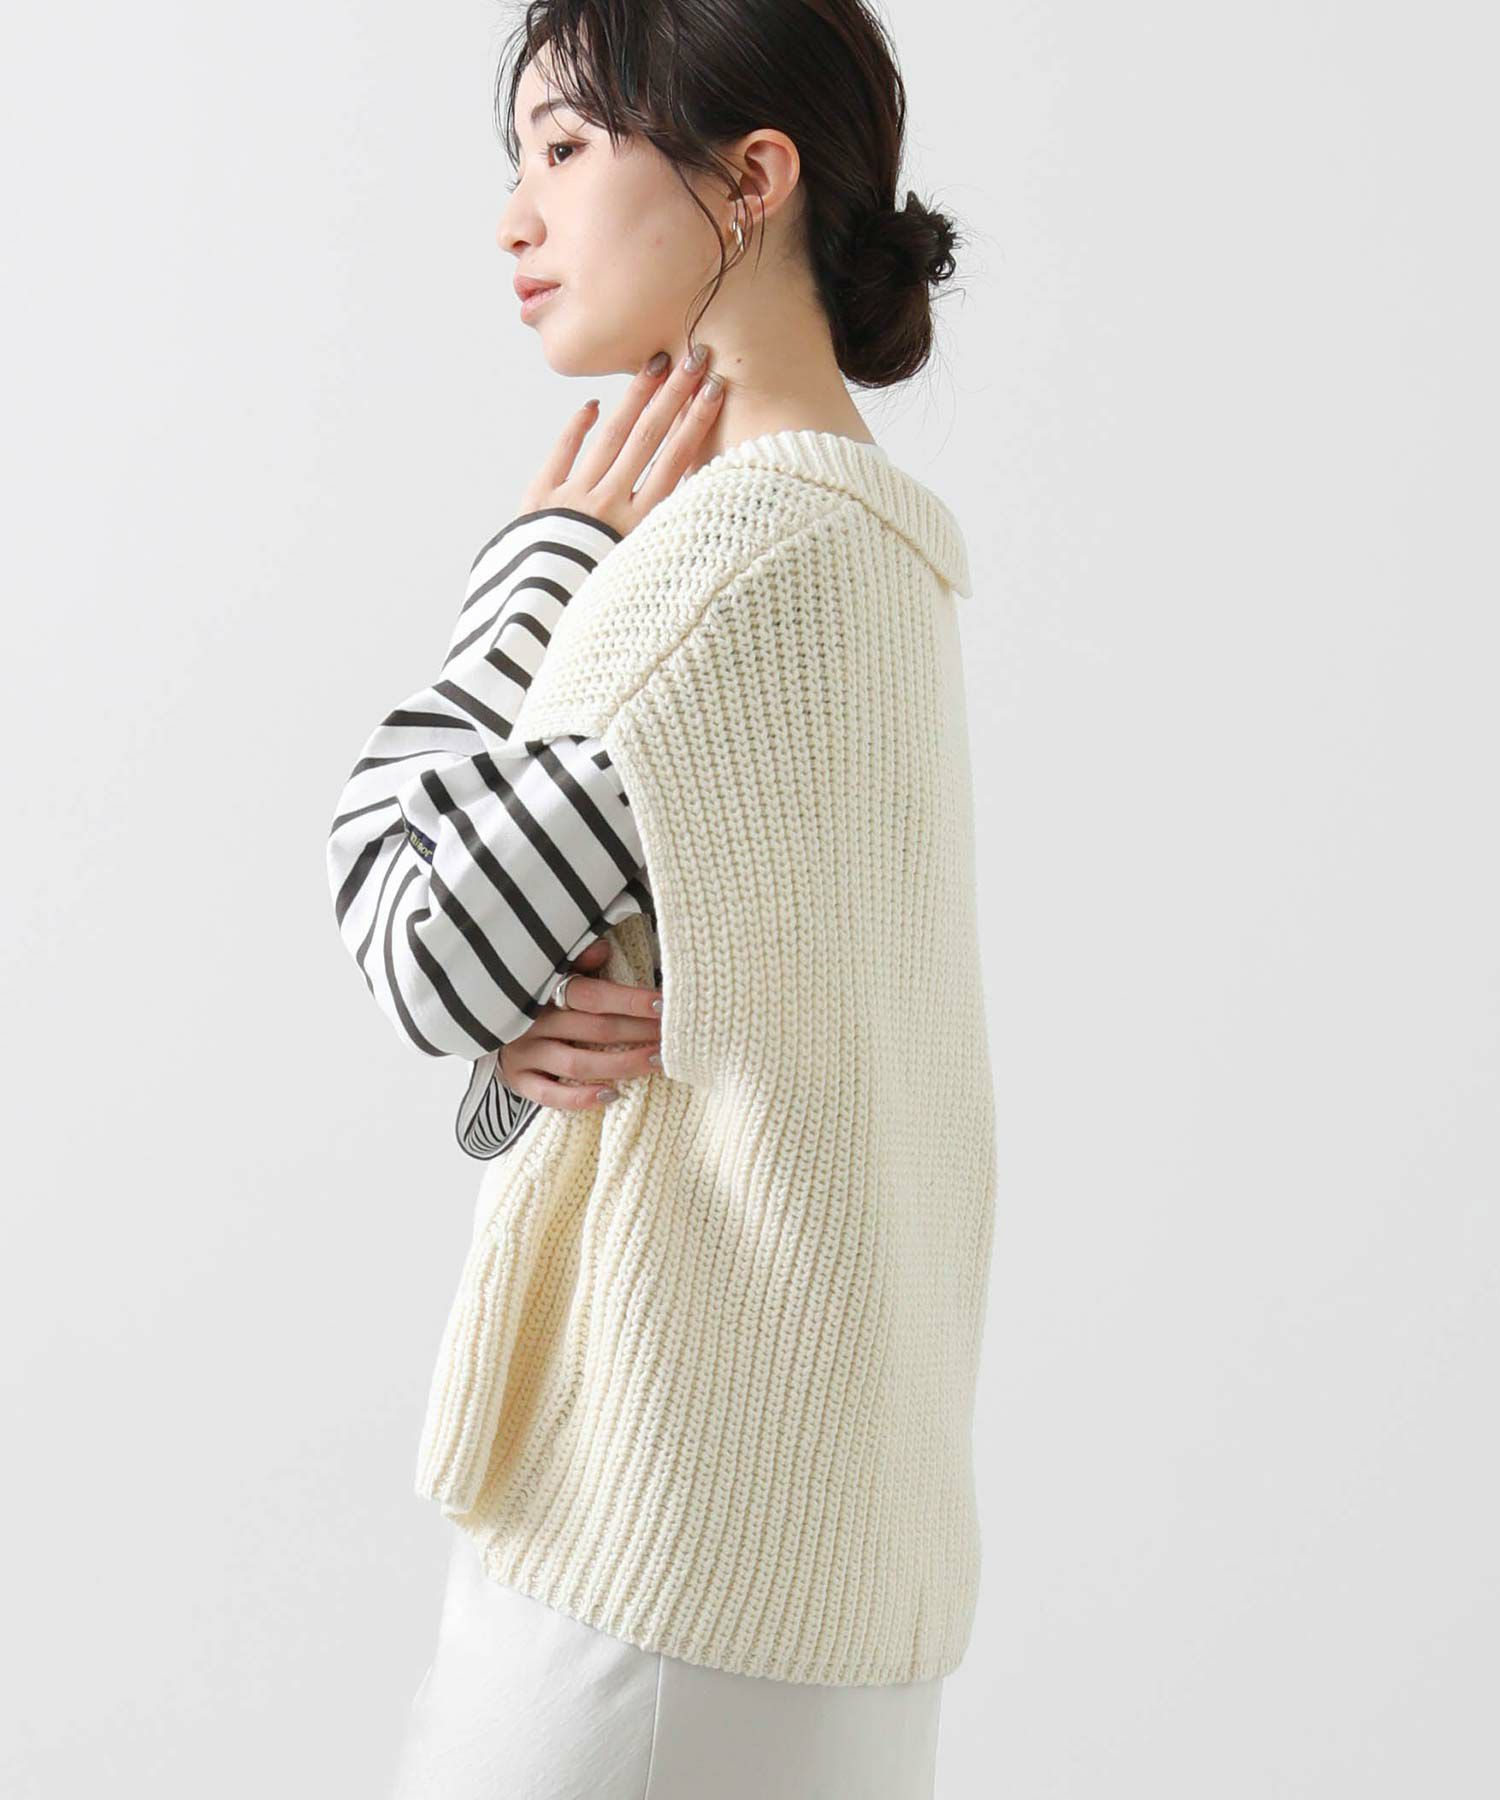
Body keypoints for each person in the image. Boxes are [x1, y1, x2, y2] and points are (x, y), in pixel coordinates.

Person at [325, 3, 996, 1794]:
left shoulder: (722, 565)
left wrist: (537, 567)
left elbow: (405, 928)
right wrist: (517, 1040)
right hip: (814, 1555)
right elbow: (686, 1004)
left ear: (750, 179)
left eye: (563, 148)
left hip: (659, 1567)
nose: (514, 217)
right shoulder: (871, 545)